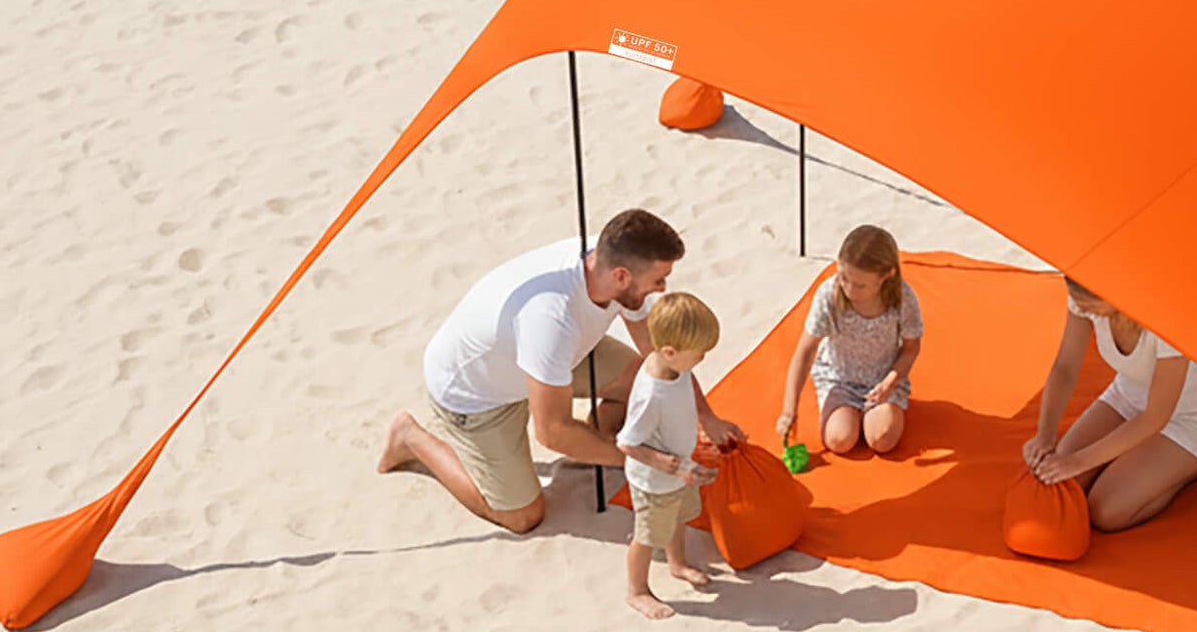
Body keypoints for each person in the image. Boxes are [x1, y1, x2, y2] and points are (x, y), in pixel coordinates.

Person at [377, 208, 742, 533]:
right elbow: (551, 432)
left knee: (646, 382)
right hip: (477, 396)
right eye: (658, 280)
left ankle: (601, 432)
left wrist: (706, 417)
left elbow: (659, 359)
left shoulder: (608, 268)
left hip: (558, 358)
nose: (663, 288)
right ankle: (411, 438)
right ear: (621, 276)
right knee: (522, 517)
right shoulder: (550, 320)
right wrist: (643, 462)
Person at [1022, 275, 1197, 530]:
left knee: (1105, 512)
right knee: (1063, 488)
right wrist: (1045, 434)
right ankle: (1145, 465)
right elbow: (1065, 367)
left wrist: (1078, 461)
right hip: (1128, 398)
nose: (1077, 303)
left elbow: (1155, 418)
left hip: (1190, 419)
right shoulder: (1083, 297)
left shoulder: (1166, 318)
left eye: (1087, 301)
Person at [617, 292, 722, 619]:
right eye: (698, 354)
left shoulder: (677, 368)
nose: (702, 358)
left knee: (679, 518)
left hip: (680, 469)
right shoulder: (651, 395)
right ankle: (637, 591)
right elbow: (628, 443)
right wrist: (673, 466)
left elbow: (686, 394)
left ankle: (678, 565)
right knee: (648, 536)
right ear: (669, 351)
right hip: (654, 479)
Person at [776, 224, 923, 456]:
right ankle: (850, 412)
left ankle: (876, 413)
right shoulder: (830, 295)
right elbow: (805, 351)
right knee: (839, 441)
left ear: (887, 275)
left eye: (860, 285)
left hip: (882, 379)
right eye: (844, 277)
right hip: (839, 378)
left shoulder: (903, 298)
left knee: (882, 440)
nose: (849, 290)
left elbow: (911, 348)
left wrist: (890, 381)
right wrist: (789, 409)